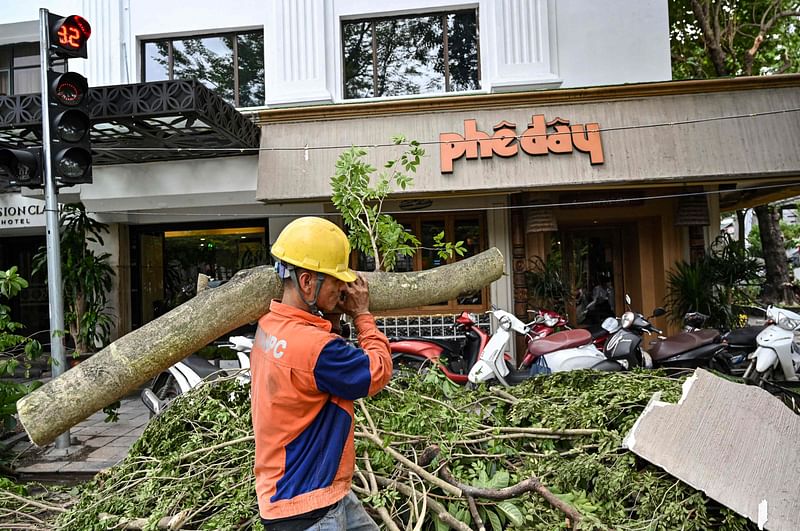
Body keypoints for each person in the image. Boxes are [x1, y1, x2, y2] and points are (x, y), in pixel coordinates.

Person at [251, 216, 392, 531]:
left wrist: (331, 316)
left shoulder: (268, 327)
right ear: (306, 282)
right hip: (306, 503)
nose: (343, 288)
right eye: (336, 281)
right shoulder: (316, 349)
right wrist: (363, 315)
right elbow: (376, 371)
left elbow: (313, 371)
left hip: (306, 489)